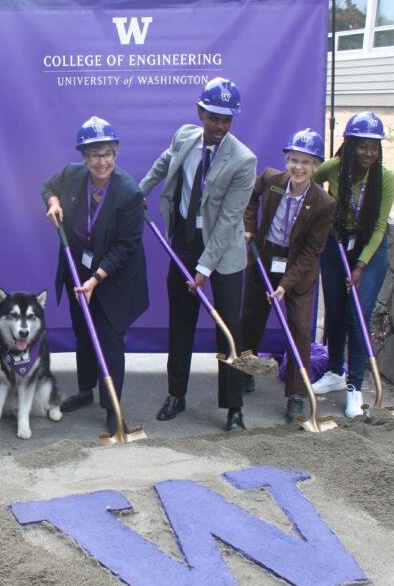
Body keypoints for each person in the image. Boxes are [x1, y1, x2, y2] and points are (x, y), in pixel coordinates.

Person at [139, 77, 257, 431]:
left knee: (227, 331)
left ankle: (233, 407)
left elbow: (228, 222)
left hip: (224, 253)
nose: (220, 126)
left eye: (227, 119)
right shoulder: (184, 137)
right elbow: (164, 164)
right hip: (186, 241)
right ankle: (176, 394)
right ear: (200, 112)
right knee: (181, 322)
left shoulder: (243, 160)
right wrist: (137, 192)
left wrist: (205, 268)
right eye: (214, 117)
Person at [41, 117, 149, 434]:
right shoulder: (73, 176)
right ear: (84, 157)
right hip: (79, 270)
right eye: (93, 155)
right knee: (84, 335)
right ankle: (85, 390)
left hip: (114, 277)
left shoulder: (128, 192)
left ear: (115, 154)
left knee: (109, 341)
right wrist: (53, 202)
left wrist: (96, 279)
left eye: (106, 154)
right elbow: (48, 187)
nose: (101, 162)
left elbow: (125, 246)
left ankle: (112, 408)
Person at [241, 128, 335, 422]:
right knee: (251, 319)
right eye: (294, 159)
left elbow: (311, 252)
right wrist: (249, 227)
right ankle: (245, 373)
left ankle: (295, 394)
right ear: (286, 160)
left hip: (299, 271)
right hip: (264, 256)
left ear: (316, 166)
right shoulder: (272, 180)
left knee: (299, 330)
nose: (298, 167)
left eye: (306, 162)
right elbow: (250, 197)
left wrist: (285, 285)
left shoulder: (323, 203)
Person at [310, 111, 394, 418]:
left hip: (369, 250)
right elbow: (308, 183)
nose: (369, 153)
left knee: (357, 315)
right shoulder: (335, 168)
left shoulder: (384, 177)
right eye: (362, 145)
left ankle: (354, 387)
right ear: (349, 145)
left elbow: (380, 227)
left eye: (374, 146)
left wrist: (360, 265)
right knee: (334, 310)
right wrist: (326, 212)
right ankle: (334, 372)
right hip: (336, 245)